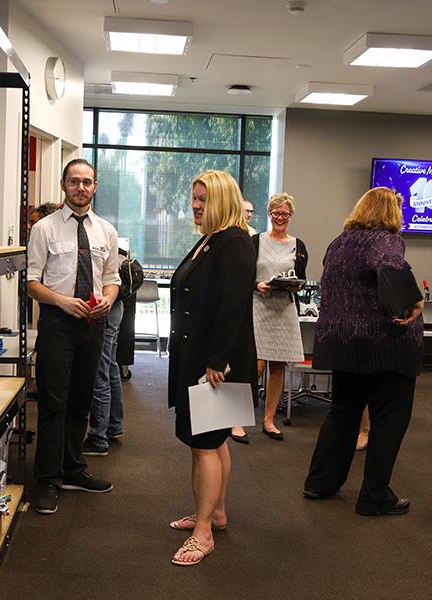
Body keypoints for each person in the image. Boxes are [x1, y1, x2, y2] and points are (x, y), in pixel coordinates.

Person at [302, 187, 424, 517]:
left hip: (342, 346)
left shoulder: (339, 242)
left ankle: (320, 482)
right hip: (384, 349)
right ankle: (374, 496)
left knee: (342, 414)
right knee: (388, 421)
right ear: (389, 212)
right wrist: (411, 304)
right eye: (399, 209)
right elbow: (390, 270)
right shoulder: (385, 240)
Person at [167, 170, 257, 565]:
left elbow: (233, 305)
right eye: (194, 198)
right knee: (212, 442)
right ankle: (214, 513)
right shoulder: (211, 240)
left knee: (204, 445)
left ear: (222, 200)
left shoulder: (233, 242)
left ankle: (203, 533)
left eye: (203, 199)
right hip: (202, 358)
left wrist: (217, 361)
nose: (195, 205)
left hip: (215, 365)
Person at [26, 159, 121, 515]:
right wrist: (62, 301)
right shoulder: (45, 229)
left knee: (82, 400)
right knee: (54, 402)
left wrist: (109, 299)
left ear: (95, 186)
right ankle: (48, 479)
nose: (80, 188)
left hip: (92, 324)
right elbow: (31, 282)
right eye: (74, 182)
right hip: (57, 322)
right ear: (64, 185)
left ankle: (73, 468)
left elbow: (112, 277)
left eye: (87, 182)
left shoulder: (106, 232)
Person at [231, 192, 307, 443]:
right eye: (276, 213)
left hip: (284, 310)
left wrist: (295, 286)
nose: (280, 217)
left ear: (291, 216)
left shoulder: (298, 245)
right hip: (259, 307)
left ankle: (269, 420)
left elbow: (301, 278)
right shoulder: (256, 241)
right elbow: (243, 277)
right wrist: (256, 285)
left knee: (278, 366)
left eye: (285, 213)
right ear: (269, 214)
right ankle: (238, 421)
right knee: (255, 365)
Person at [82, 247, 128, 456]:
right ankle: (114, 426)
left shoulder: (97, 240)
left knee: (101, 369)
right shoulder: (112, 245)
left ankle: (98, 437)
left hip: (103, 307)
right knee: (109, 367)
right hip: (115, 306)